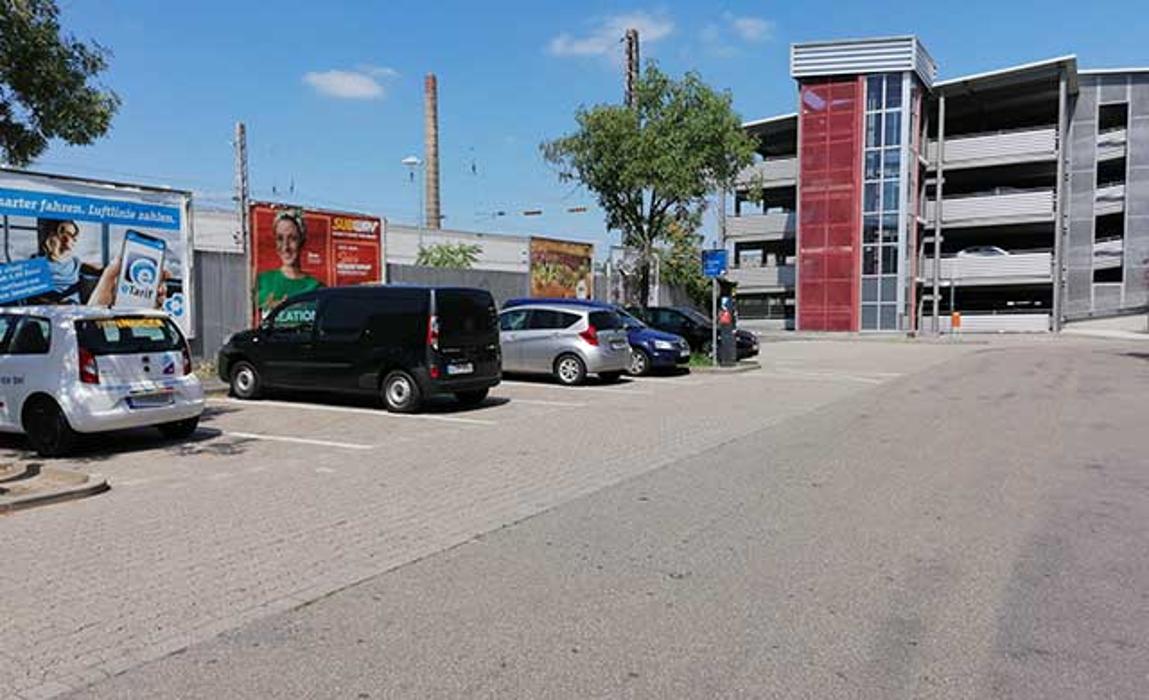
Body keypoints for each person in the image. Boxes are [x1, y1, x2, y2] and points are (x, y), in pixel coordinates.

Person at [255, 209, 322, 316]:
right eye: (280, 238)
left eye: (292, 238)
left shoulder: (316, 287)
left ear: (302, 241)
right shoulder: (262, 281)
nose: (285, 247)